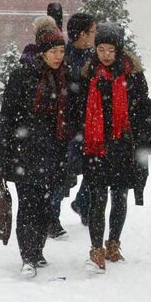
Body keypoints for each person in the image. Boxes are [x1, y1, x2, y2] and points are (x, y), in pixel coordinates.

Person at [70, 23, 151, 271]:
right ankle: (96, 250)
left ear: (119, 50)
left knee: (119, 197)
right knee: (97, 198)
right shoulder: (88, 75)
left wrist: (142, 141)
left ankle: (113, 244)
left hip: (123, 146)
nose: (106, 55)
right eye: (101, 49)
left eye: (110, 50)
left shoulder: (133, 75)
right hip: (96, 147)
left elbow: (143, 111)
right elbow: (78, 112)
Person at [0, 21, 69, 277]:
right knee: (28, 204)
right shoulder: (23, 76)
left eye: (62, 51)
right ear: (42, 52)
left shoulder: (63, 78)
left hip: (51, 153)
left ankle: (37, 251)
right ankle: (27, 255)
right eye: (54, 52)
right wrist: (3, 153)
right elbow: (7, 118)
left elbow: (68, 118)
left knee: (44, 205)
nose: (59, 57)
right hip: (23, 152)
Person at [61, 12, 97, 229]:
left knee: (94, 169)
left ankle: (84, 203)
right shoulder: (64, 57)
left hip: (89, 124)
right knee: (63, 173)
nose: (95, 36)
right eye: (92, 32)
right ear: (82, 34)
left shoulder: (93, 57)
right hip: (69, 125)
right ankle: (52, 217)